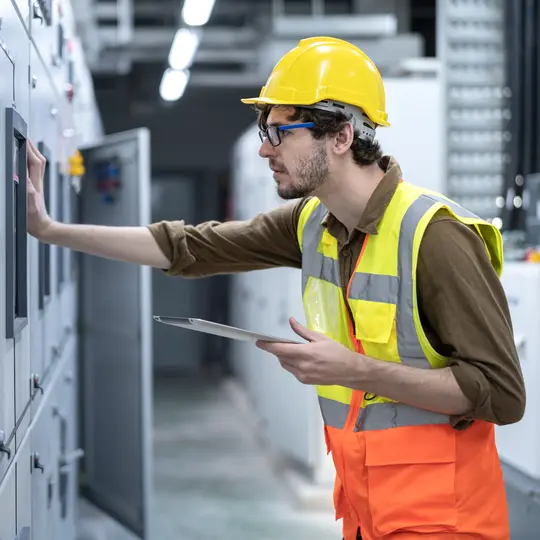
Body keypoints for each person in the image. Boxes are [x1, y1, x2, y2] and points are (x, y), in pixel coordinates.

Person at [27, 37, 525, 540]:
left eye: (281, 131)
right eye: (266, 131)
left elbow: (503, 395)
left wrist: (353, 370)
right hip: (369, 515)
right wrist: (50, 231)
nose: (266, 147)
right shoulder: (313, 222)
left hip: (449, 522)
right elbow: (192, 246)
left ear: (341, 136)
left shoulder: (434, 236)